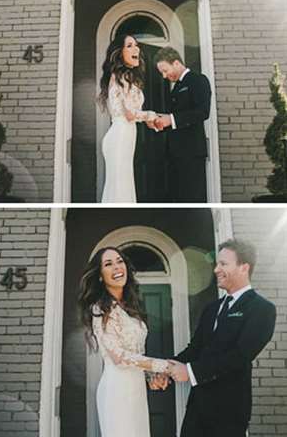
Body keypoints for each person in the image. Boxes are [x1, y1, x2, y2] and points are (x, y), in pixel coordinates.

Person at [155, 239, 276, 437]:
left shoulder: (262, 309)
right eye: (217, 264)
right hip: (197, 407)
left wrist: (190, 371)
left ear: (244, 268)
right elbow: (195, 349)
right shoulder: (212, 309)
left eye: (223, 264)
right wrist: (167, 370)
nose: (216, 270)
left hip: (230, 410)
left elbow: (240, 356)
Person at [78, 247, 171, 437]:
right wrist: (164, 366)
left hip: (137, 391)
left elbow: (137, 354)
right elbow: (119, 357)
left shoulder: (132, 307)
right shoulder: (101, 309)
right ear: (100, 276)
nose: (117, 267)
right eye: (108, 264)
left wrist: (151, 376)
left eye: (119, 261)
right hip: (116, 389)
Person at [98, 34, 158, 203]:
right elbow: (130, 114)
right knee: (120, 188)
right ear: (120, 53)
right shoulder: (122, 77)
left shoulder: (124, 77)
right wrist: (151, 115)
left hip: (123, 134)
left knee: (120, 185)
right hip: (120, 136)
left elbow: (130, 112)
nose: (136, 49)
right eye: (130, 45)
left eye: (136, 45)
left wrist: (147, 120)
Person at [151, 47, 211, 202]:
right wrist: (162, 122)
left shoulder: (198, 80)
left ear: (176, 63)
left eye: (165, 70)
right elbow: (176, 116)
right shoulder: (177, 86)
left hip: (192, 153)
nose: (164, 76)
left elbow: (203, 112)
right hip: (174, 154)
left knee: (192, 198)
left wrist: (171, 119)